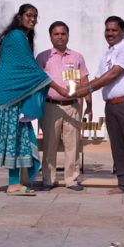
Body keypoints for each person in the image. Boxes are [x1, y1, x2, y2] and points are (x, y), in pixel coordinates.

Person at [0, 4, 70, 195]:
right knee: (4, 135)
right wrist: (59, 89)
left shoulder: (21, 37)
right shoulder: (17, 36)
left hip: (12, 93)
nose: (32, 19)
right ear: (20, 16)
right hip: (8, 93)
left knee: (15, 135)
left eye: (35, 16)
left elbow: (27, 68)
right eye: (29, 15)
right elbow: (31, 69)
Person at [76, 16, 124, 198]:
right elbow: (98, 77)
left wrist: (88, 88)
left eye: (114, 30)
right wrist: (79, 91)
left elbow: (113, 74)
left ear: (122, 32)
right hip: (111, 105)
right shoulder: (106, 54)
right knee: (117, 145)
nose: (110, 33)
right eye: (107, 30)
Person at [35, 21, 92, 191]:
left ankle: (72, 180)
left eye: (63, 33)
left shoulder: (77, 57)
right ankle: (48, 180)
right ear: (50, 36)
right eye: (56, 34)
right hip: (50, 106)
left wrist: (89, 104)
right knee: (49, 144)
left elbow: (84, 81)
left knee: (72, 145)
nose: (60, 37)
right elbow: (37, 81)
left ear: (68, 35)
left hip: (73, 106)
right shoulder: (43, 57)